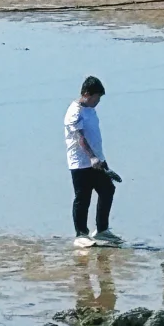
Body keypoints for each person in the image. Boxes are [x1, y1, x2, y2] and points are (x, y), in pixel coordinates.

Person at [65, 75, 121, 248]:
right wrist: (91, 157)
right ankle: (81, 234)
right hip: (81, 163)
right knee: (83, 198)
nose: (98, 101)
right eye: (96, 97)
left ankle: (102, 231)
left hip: (97, 160)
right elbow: (80, 138)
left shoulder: (90, 109)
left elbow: (93, 136)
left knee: (108, 189)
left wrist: (101, 160)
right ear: (87, 94)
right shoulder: (74, 112)